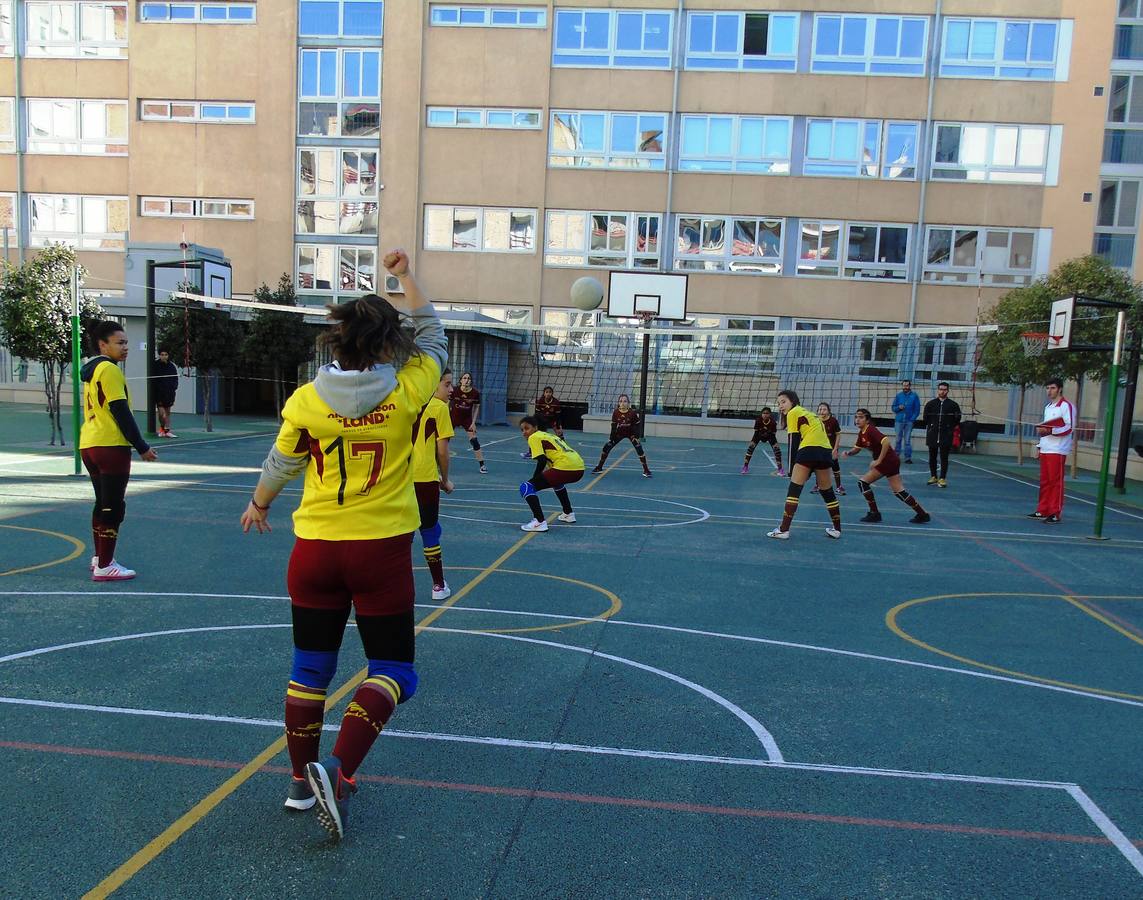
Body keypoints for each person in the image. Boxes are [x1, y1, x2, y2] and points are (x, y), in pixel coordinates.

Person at [239, 249, 447, 842]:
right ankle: (339, 770)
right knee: (393, 672)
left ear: (336, 343)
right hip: (378, 551)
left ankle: (300, 786)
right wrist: (405, 276)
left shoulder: (306, 400)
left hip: (315, 550)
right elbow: (434, 335)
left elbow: (282, 459)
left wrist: (260, 503)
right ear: (388, 345)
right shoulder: (407, 391)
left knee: (310, 669)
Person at [80, 321, 159, 581]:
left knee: (102, 504)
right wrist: (142, 446)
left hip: (89, 443)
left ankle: (99, 557)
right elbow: (120, 411)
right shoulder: (109, 370)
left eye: (126, 343)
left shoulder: (92, 370)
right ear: (103, 345)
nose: (125, 347)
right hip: (110, 445)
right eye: (120, 343)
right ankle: (105, 564)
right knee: (113, 507)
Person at [766, 390, 842, 540]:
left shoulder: (793, 413)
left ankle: (783, 530)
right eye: (779, 403)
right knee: (827, 492)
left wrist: (791, 469)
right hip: (825, 452)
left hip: (809, 450)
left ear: (793, 401)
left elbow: (793, 443)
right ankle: (837, 529)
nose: (781, 406)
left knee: (794, 490)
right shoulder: (809, 413)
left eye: (783, 402)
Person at [843, 408, 930, 524]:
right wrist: (848, 453)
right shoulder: (862, 433)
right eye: (856, 417)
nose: (857, 420)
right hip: (892, 461)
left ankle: (875, 513)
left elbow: (886, 442)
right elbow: (857, 449)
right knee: (899, 491)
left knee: (863, 483)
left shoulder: (871, 430)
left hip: (887, 461)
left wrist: (878, 460)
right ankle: (922, 514)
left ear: (867, 420)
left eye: (861, 417)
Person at [414, 369, 456, 600]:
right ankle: (438, 586)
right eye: (447, 384)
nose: (451, 390)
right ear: (433, 384)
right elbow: (443, 451)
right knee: (429, 531)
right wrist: (445, 480)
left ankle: (396, 585)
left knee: (401, 533)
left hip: (399, 479)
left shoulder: (407, 404)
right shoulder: (439, 408)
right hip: (425, 478)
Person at [519, 415, 585, 531]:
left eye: (527, 428)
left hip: (566, 466)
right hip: (579, 467)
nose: (524, 432)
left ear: (535, 427)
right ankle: (568, 514)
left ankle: (539, 521)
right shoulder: (548, 435)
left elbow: (542, 460)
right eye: (522, 430)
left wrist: (535, 479)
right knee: (556, 483)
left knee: (526, 487)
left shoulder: (534, 437)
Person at [1028, 377, 1074, 524]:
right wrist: (1039, 446)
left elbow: (1069, 426)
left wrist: (1051, 430)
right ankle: (1043, 509)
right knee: (1044, 481)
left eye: (1052, 388)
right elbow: (1044, 428)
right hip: (1046, 449)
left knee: (1056, 482)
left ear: (1059, 389)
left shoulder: (1066, 406)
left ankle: (1055, 512)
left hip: (1058, 449)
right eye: (1047, 388)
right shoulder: (1048, 407)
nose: (1050, 391)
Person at [591, 394, 652, 477]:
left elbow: (638, 425)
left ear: (628, 403)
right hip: (619, 433)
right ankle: (599, 467)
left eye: (625, 401)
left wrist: (636, 436)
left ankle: (646, 470)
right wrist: (611, 438)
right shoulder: (616, 412)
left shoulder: (632, 413)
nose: (622, 403)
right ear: (618, 403)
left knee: (639, 449)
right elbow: (613, 426)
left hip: (631, 434)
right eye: (621, 401)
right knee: (606, 448)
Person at [923, 381, 961, 488]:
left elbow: (957, 419)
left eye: (944, 389)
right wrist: (931, 426)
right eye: (940, 389)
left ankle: (942, 478)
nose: (942, 391)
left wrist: (949, 427)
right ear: (938, 390)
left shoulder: (953, 405)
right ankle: (933, 476)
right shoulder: (931, 404)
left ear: (948, 391)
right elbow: (925, 418)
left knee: (944, 457)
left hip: (946, 434)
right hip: (933, 434)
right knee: (932, 457)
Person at [450, 371, 486, 474]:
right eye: (464, 378)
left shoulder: (475, 393)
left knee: (474, 441)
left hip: (467, 419)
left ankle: (482, 465)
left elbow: (476, 407)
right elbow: (447, 403)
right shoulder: (454, 390)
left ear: (471, 381)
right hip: (453, 417)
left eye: (468, 378)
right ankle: (437, 463)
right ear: (460, 380)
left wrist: (473, 422)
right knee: (444, 440)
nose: (466, 380)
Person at [810, 402, 846, 495]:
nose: (822, 411)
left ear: (829, 411)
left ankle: (839, 487)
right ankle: (818, 486)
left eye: (824, 409)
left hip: (831, 448)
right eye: (820, 409)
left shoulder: (833, 421)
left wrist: (835, 449)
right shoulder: (816, 420)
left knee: (835, 466)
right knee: (818, 466)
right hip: (819, 448)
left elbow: (838, 435)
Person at [741, 407, 784, 476]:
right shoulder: (758, 421)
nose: (765, 415)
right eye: (764, 413)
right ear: (761, 414)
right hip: (759, 435)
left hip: (770, 436)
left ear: (770, 414)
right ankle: (745, 467)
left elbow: (773, 435)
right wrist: (752, 442)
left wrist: (775, 444)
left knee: (777, 451)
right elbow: (756, 433)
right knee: (750, 448)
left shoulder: (773, 422)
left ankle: (780, 469)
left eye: (767, 413)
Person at [891, 379, 920, 464]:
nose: (905, 387)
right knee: (897, 439)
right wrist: (898, 408)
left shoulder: (914, 396)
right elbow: (893, 408)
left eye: (907, 385)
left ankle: (907, 458)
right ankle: (896, 456)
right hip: (899, 421)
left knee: (907, 440)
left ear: (910, 386)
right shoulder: (898, 395)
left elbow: (917, 410)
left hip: (909, 421)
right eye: (904, 385)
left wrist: (912, 419)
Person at [153, 349, 179, 438]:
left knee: (167, 413)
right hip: (159, 394)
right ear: (159, 355)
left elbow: (175, 378)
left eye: (166, 354)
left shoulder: (171, 366)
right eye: (162, 354)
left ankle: (167, 431)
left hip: (169, 393)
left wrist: (173, 388)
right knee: (161, 413)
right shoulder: (155, 365)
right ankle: (161, 428)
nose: (164, 356)